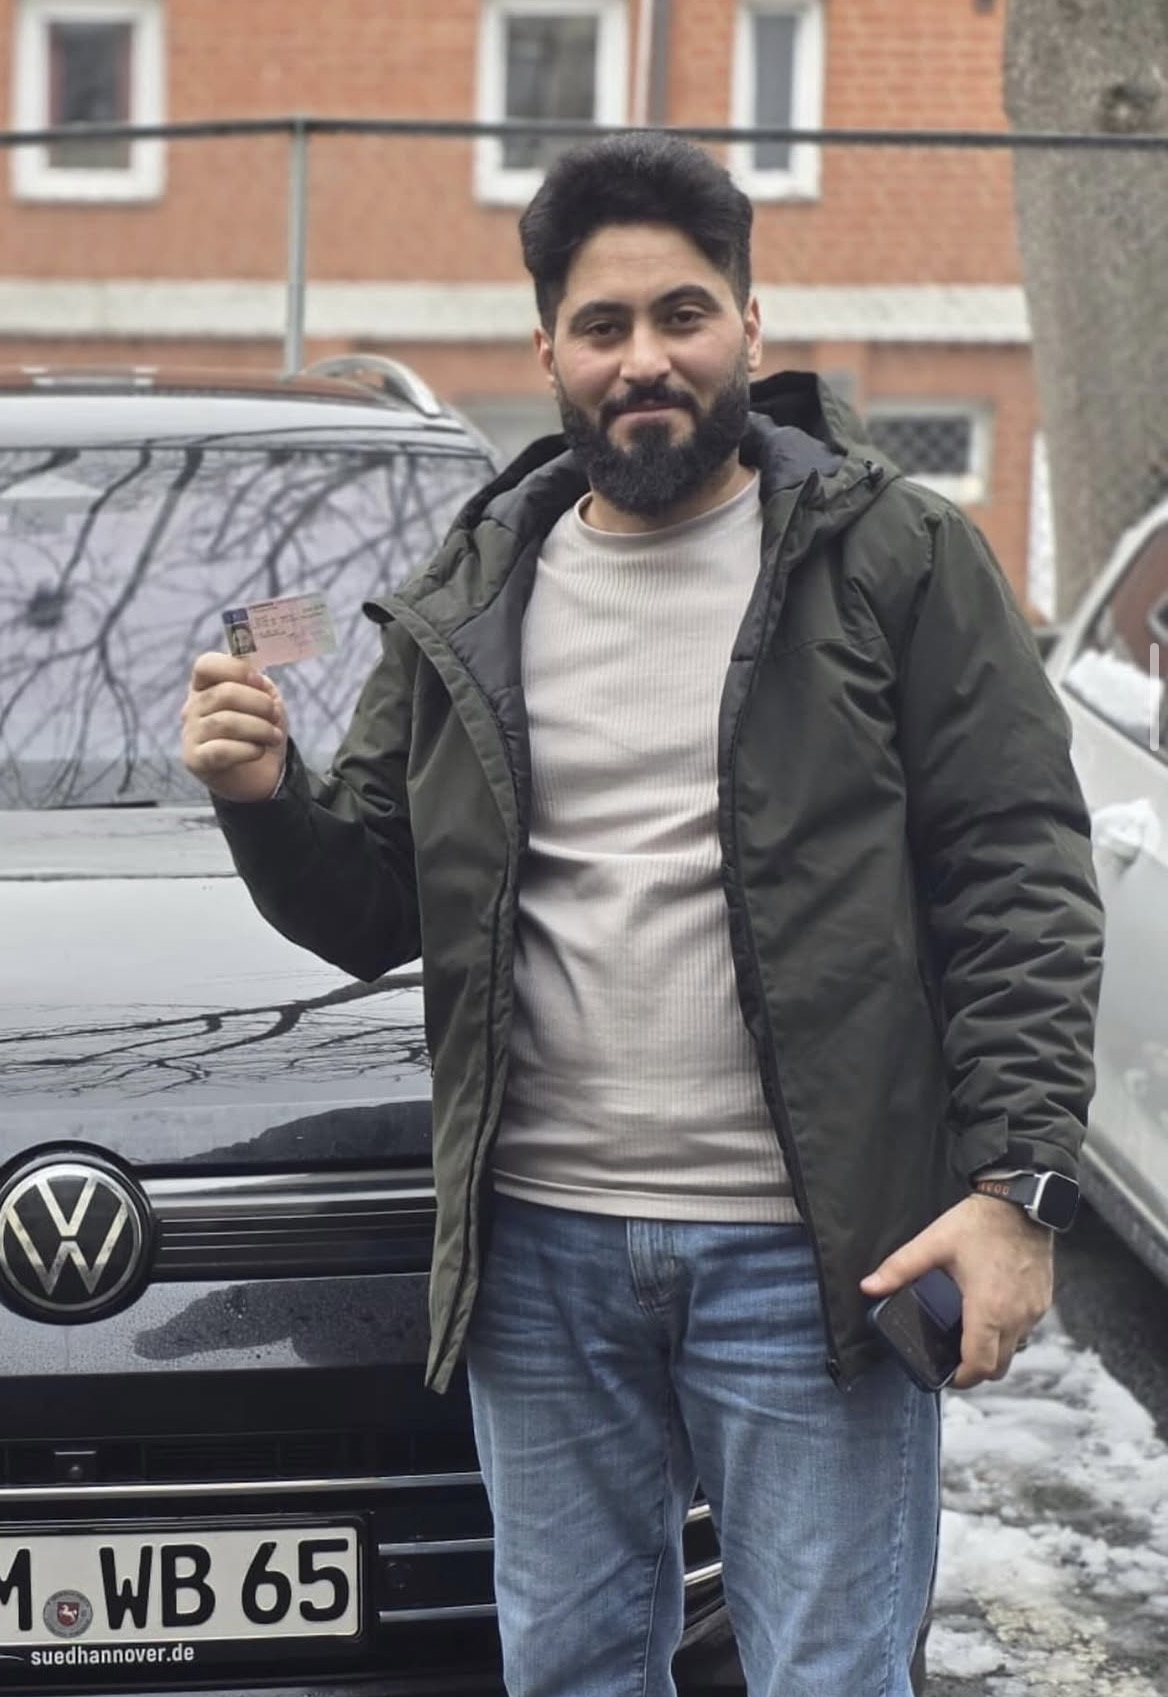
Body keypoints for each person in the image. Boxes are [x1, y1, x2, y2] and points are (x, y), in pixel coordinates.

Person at [180, 133, 1103, 1697]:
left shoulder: (894, 554)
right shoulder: (475, 586)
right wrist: (264, 796)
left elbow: (1018, 872)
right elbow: (377, 902)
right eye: (602, 326)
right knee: (573, 1672)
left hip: (817, 1262)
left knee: (831, 1674)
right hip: (540, 1261)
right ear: (547, 349)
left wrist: (1016, 1189)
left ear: (750, 321)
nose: (645, 359)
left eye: (683, 314)